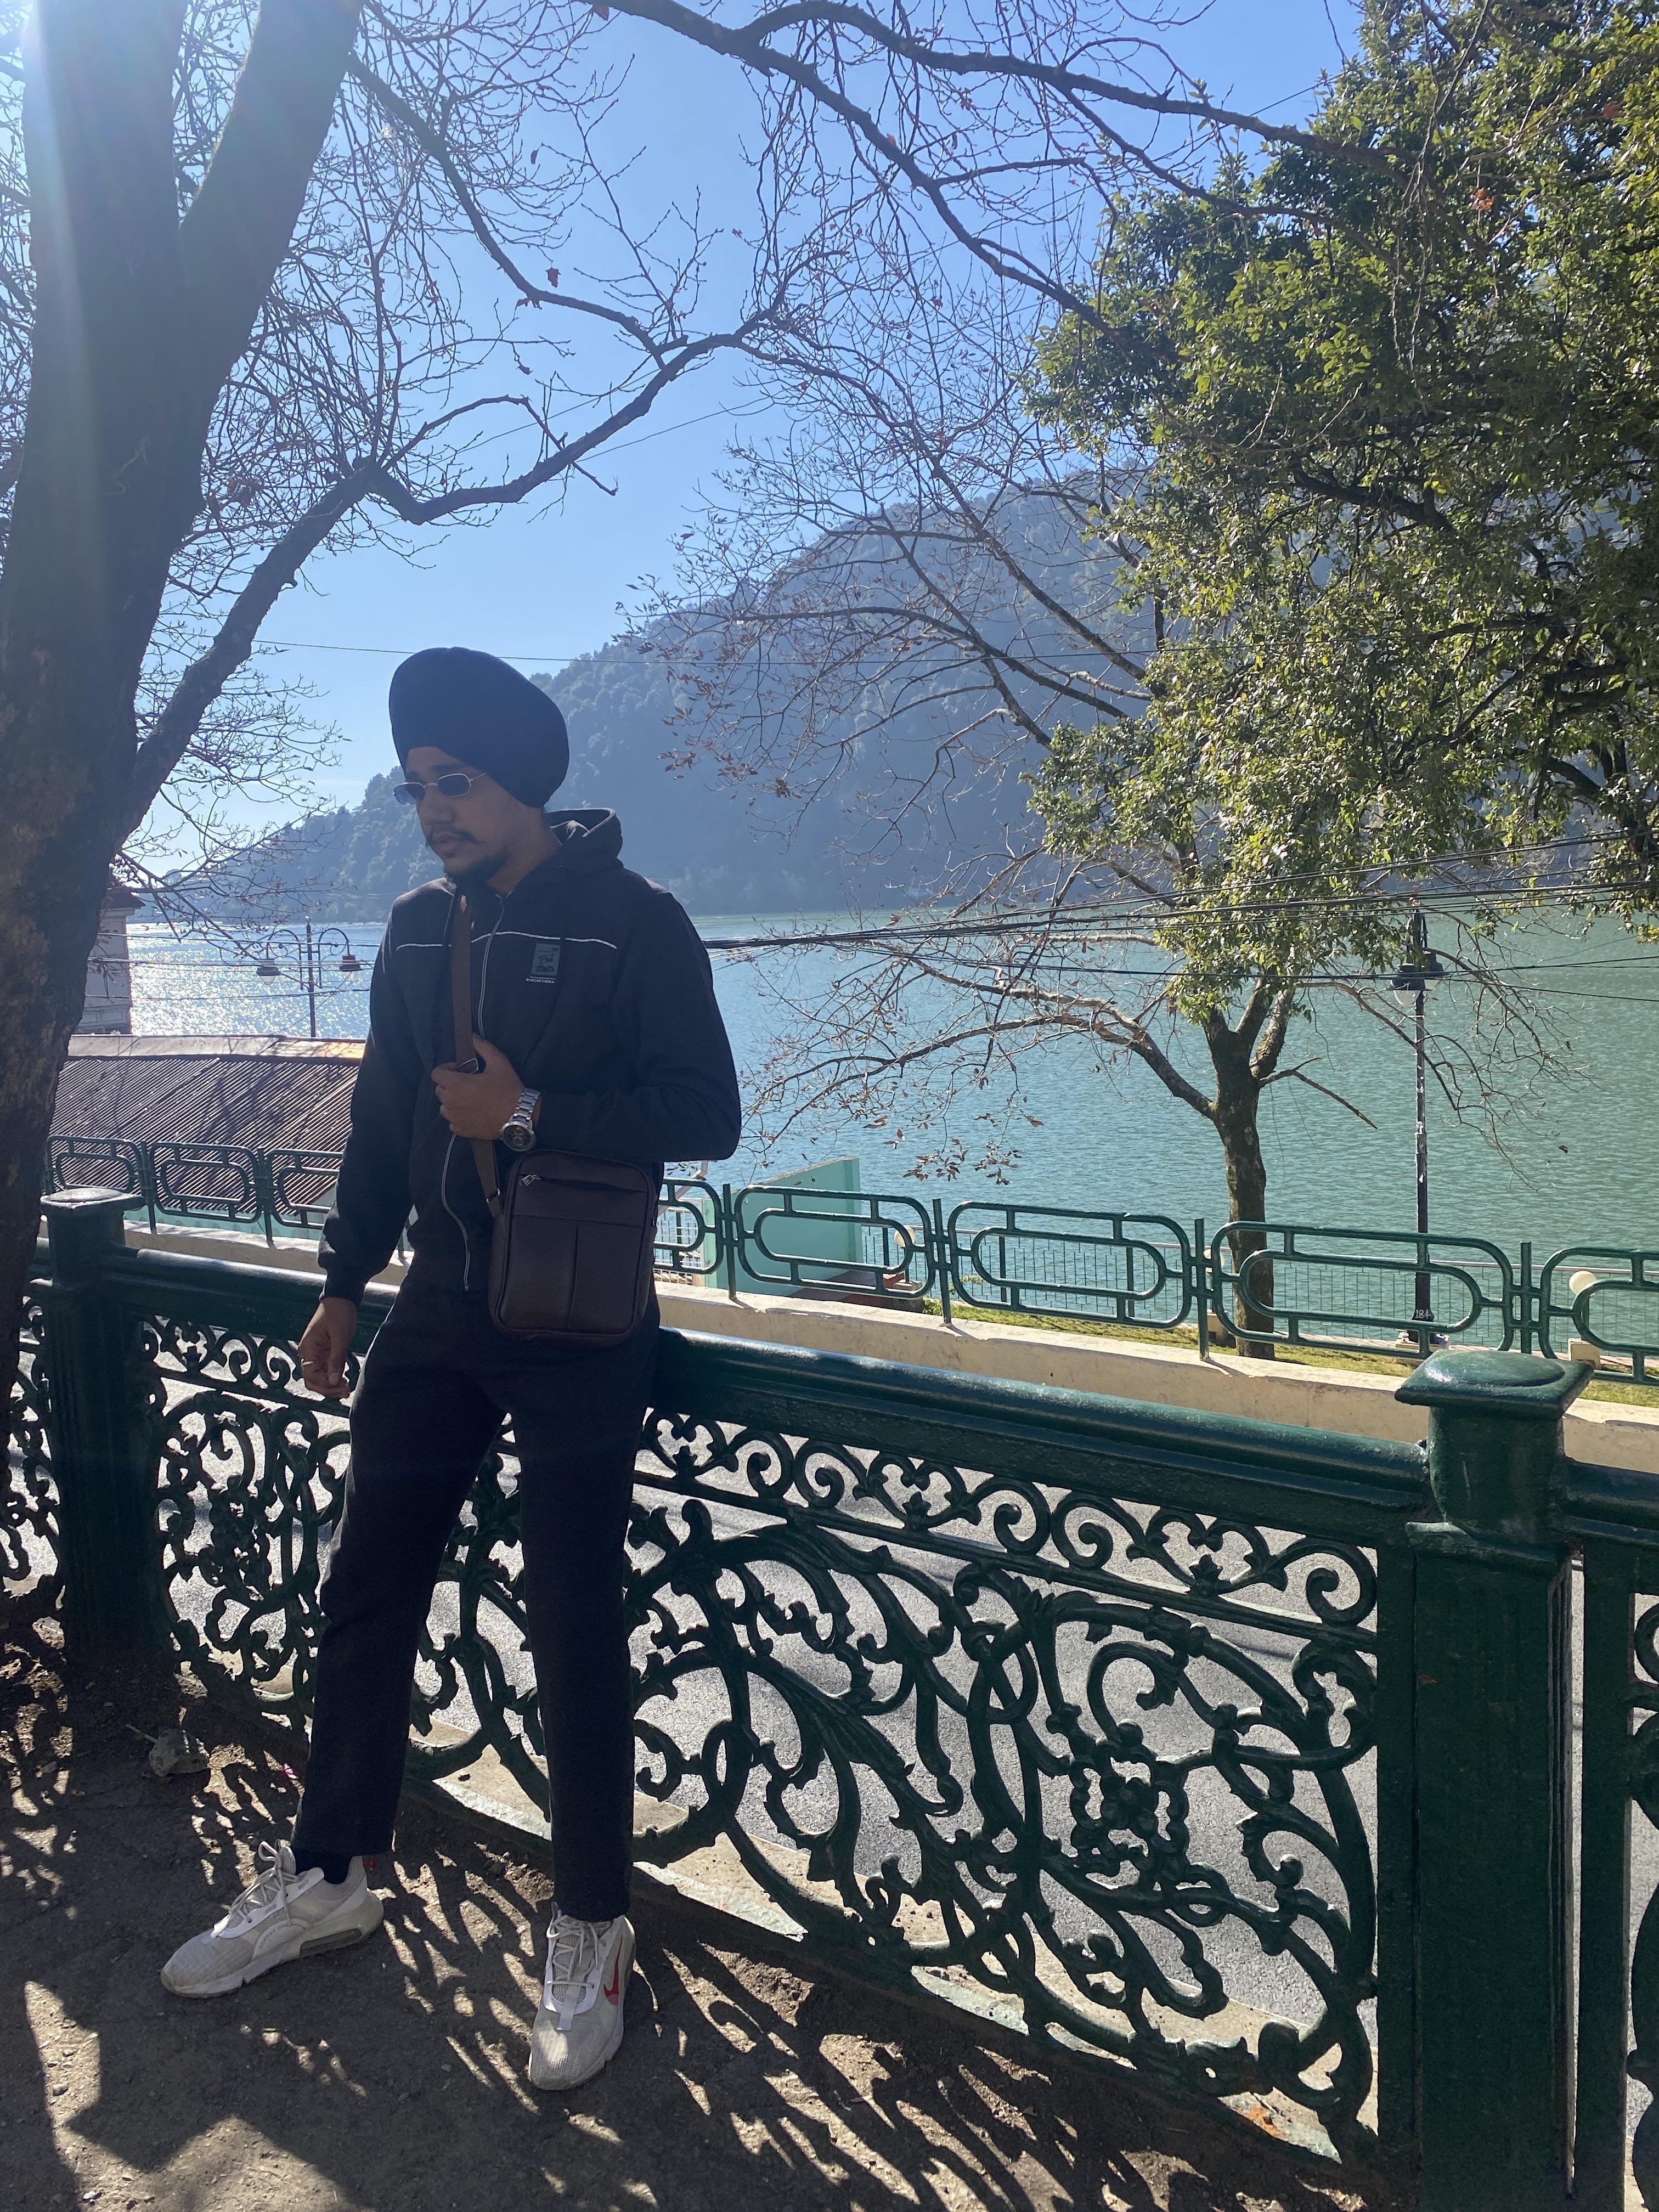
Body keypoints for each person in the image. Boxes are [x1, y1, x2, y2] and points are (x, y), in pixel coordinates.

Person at [159, 647, 741, 2092]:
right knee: (365, 1590)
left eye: (457, 783)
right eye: (418, 785)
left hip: (579, 1322)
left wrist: (531, 1113)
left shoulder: (636, 921)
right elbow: (382, 1120)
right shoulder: (420, 928)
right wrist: (342, 1284)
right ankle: (333, 1871)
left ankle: (592, 1924)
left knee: (572, 1622)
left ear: (521, 781)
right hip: (437, 1309)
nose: (433, 811)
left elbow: (705, 1113)